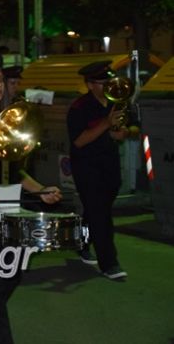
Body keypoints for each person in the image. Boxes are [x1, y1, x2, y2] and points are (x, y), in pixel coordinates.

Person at [0, 49, 61, 344]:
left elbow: (17, 174)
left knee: (14, 273)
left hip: (11, 207)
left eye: (0, 79)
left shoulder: (10, 121)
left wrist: (41, 190)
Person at [66, 60, 129, 280]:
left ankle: (81, 242)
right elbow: (80, 141)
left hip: (109, 165)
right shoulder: (79, 108)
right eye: (103, 82)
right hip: (87, 167)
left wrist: (122, 131)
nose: (108, 86)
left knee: (96, 211)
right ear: (90, 84)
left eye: (109, 81)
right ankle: (109, 263)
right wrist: (105, 123)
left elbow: (125, 130)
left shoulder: (116, 102)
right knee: (101, 215)